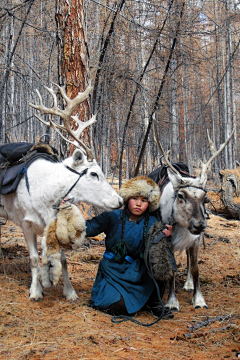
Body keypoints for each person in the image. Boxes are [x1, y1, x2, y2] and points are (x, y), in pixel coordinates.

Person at [86, 175, 173, 318]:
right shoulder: (113, 216)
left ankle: (154, 304)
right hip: (112, 270)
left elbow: (158, 251)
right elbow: (88, 228)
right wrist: (68, 213)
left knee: (163, 257)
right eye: (135, 199)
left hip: (137, 273)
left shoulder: (152, 222)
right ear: (127, 199)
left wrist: (166, 237)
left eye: (144, 200)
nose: (139, 204)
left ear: (149, 203)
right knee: (114, 305)